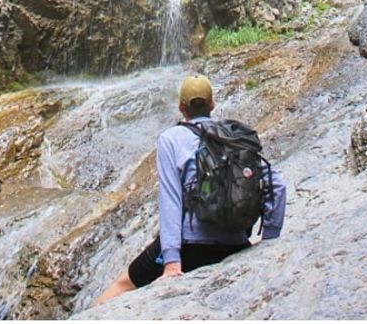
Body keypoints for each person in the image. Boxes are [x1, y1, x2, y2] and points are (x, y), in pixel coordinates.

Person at [95, 75, 286, 305]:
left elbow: (171, 200)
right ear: (212, 104)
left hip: (190, 248)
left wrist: (172, 262)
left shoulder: (170, 139)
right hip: (235, 243)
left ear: (181, 107)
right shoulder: (232, 137)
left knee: (122, 284)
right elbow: (277, 185)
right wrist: (268, 240)